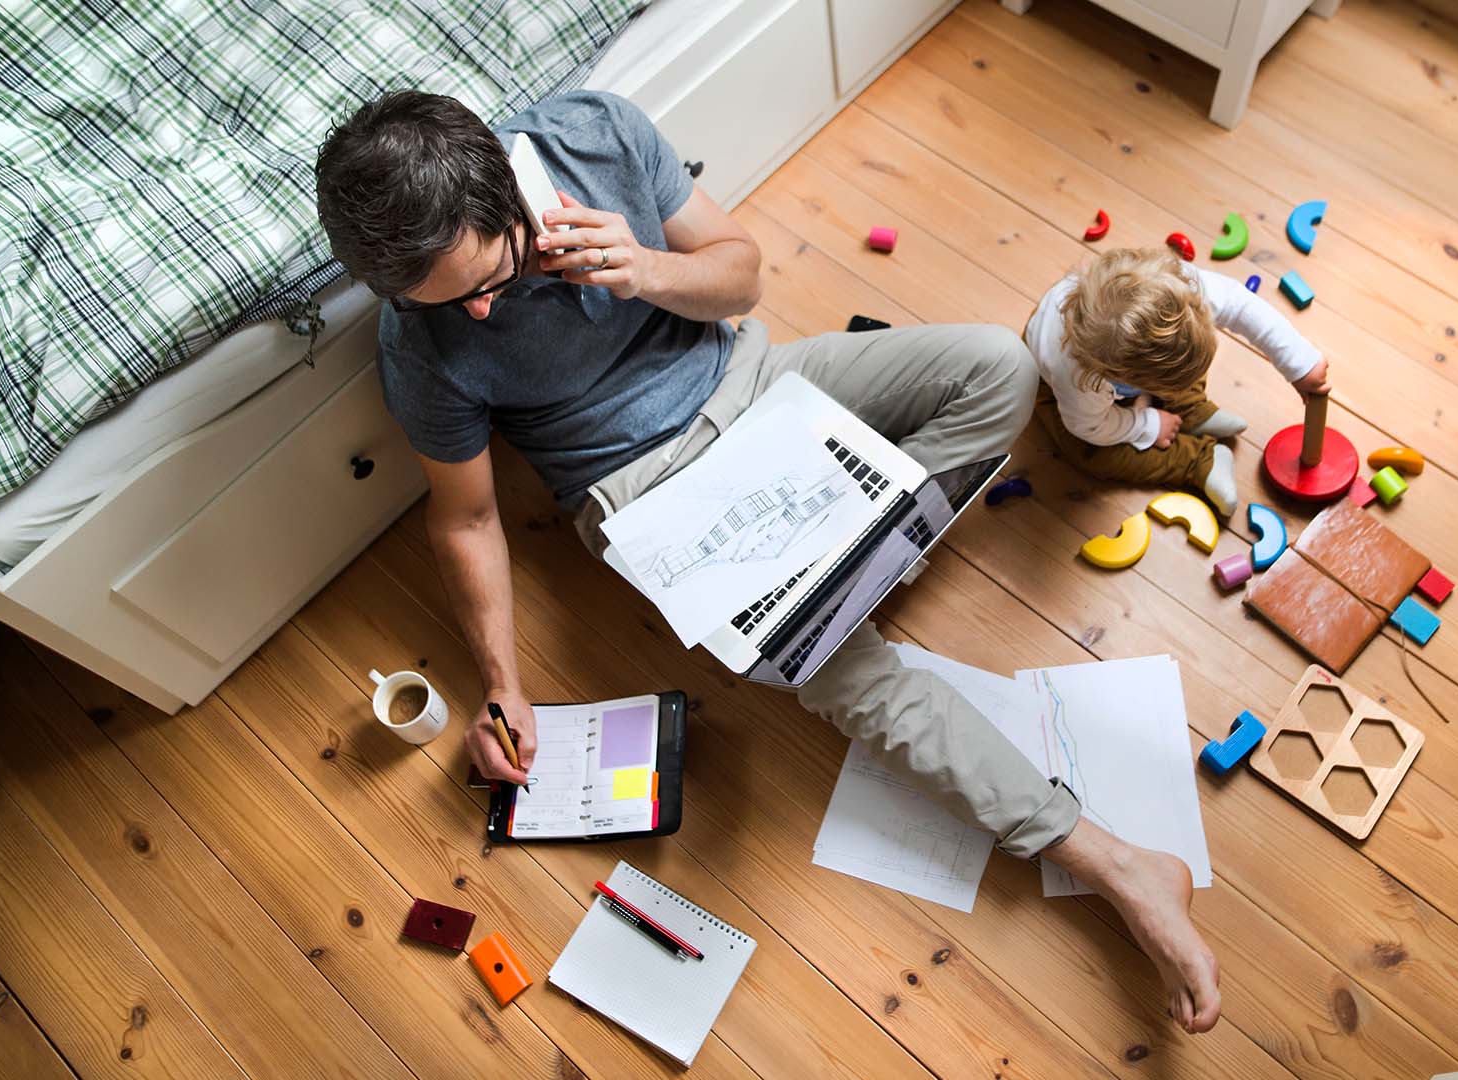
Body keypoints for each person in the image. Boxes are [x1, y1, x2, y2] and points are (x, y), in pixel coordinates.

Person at [315, 89, 1221, 1032]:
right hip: (648, 494)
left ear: (507, 191)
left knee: (998, 366)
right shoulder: (418, 343)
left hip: (758, 383)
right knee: (831, 665)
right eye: (451, 304)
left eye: (487, 277)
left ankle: (832, 578)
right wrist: (502, 682)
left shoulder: (590, 134)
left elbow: (741, 277)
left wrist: (646, 270)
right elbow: (465, 519)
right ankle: (1109, 859)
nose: (482, 308)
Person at [1024, 246, 1330, 516]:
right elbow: (1090, 428)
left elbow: (1241, 305)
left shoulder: (1180, 287)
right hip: (1066, 394)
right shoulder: (1079, 381)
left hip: (1127, 365)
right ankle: (1196, 462)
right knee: (1088, 453)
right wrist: (1146, 424)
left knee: (1184, 356)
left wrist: (1299, 363)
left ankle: (1190, 407)